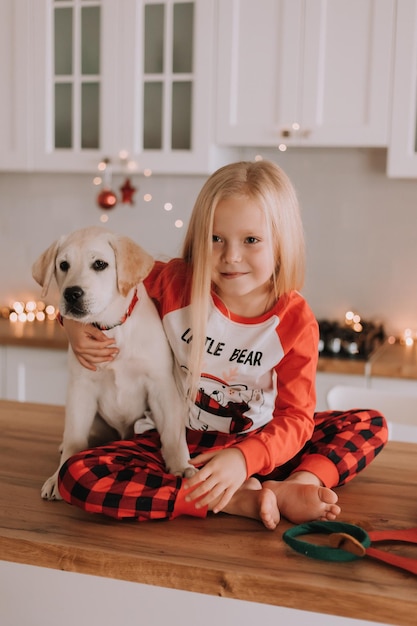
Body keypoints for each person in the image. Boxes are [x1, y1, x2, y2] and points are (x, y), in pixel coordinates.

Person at [57, 160, 388, 530]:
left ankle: (297, 485)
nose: (231, 256)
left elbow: (295, 418)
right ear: (199, 238)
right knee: (75, 474)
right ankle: (233, 498)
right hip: (176, 443)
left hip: (260, 448)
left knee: (367, 423)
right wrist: (69, 320)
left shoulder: (294, 320)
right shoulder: (174, 283)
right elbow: (104, 287)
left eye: (251, 240)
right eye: (216, 238)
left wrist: (245, 459)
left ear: (281, 242)